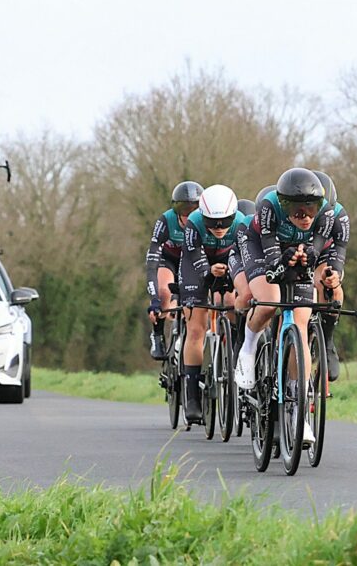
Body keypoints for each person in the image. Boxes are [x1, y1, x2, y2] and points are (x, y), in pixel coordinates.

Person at [235, 168, 338, 444]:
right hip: (261, 247)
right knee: (268, 304)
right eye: (296, 210)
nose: (304, 216)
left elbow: (317, 254)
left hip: (296, 251)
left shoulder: (328, 214)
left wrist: (305, 261)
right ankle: (247, 349)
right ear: (284, 205)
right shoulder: (269, 207)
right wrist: (285, 260)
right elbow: (272, 265)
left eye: (310, 209)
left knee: (301, 325)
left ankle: (299, 412)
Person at [179, 184, 243, 421]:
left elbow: (246, 256)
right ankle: (192, 394)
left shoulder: (241, 223)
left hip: (229, 260)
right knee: (196, 327)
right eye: (213, 223)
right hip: (198, 265)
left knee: (232, 302)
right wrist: (208, 270)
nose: (219, 228)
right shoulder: (194, 222)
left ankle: (237, 349)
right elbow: (193, 255)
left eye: (225, 222)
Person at [145, 181, 203, 359]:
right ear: (176, 209)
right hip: (168, 260)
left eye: (194, 209)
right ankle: (157, 334)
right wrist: (154, 300)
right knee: (164, 291)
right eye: (184, 209)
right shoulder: (166, 220)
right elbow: (152, 262)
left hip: (193, 260)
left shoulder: (205, 221)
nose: (188, 215)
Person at [311, 170, 350, 383]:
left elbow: (339, 252)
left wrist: (333, 276)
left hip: (325, 252)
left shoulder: (339, 216)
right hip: (294, 249)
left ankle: (327, 341)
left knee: (329, 284)